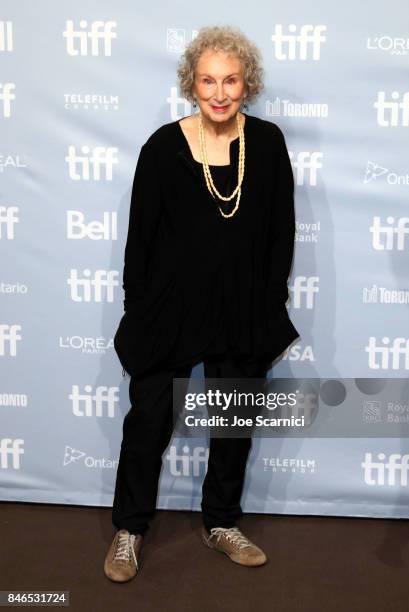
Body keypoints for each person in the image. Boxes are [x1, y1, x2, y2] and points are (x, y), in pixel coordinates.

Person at [104, 25, 300, 582]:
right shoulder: (163, 147)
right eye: (208, 80)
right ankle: (130, 529)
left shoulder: (267, 142)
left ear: (247, 84)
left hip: (241, 307)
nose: (219, 92)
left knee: (234, 422)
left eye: (231, 80)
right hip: (169, 309)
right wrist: (138, 309)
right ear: (192, 83)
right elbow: (139, 238)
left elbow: (281, 230)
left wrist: (269, 300)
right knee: (148, 421)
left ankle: (221, 522)